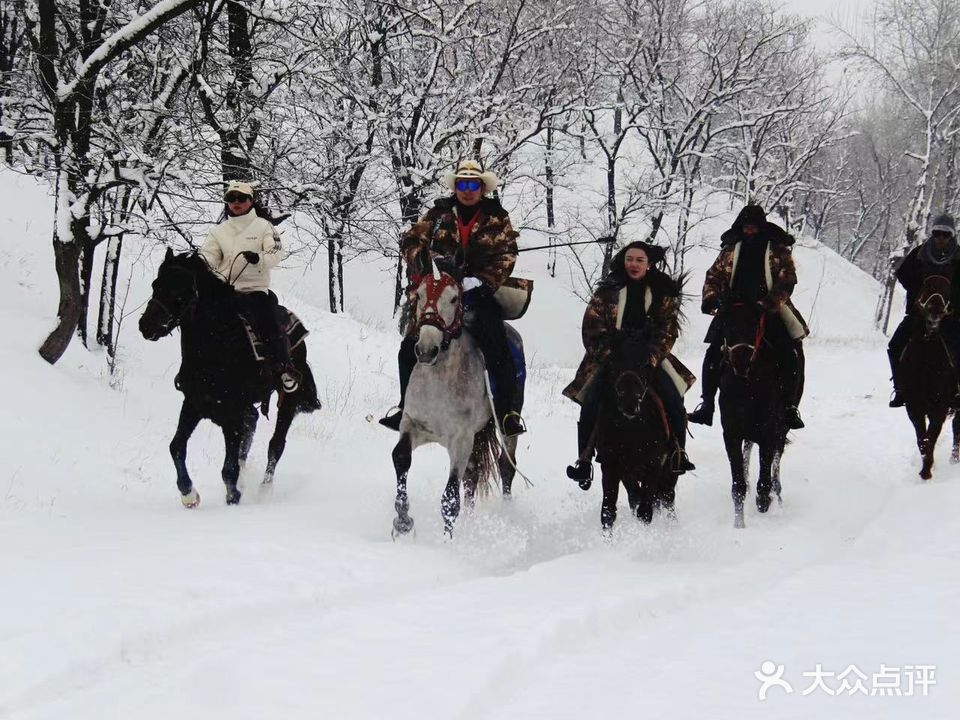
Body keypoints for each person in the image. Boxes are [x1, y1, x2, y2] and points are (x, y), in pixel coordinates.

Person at [379, 160, 526, 436]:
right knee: (409, 345)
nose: (467, 190)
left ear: (482, 188)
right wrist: (425, 265)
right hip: (439, 294)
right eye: (462, 184)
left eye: (473, 185)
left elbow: (507, 255)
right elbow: (411, 242)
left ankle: (507, 412)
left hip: (477, 295)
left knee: (497, 344)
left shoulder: (498, 216)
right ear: (455, 187)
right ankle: (404, 407)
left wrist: (481, 281)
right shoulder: (438, 213)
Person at [563, 241, 696, 479]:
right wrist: (608, 356)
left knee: (674, 399)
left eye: (639, 260)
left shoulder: (661, 293)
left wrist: (652, 357)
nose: (633, 264)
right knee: (591, 401)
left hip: (649, 360)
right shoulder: (607, 291)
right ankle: (584, 460)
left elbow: (668, 331)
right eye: (629, 259)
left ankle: (678, 452)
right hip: (612, 359)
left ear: (649, 264)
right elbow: (591, 328)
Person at [687, 204, 808, 429]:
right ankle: (708, 404)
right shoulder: (730, 249)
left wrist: (768, 303)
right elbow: (713, 276)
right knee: (714, 351)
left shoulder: (779, 249)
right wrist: (713, 298)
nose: (750, 231)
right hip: (734, 308)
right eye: (746, 227)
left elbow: (787, 280)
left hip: (769, 308)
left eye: (754, 228)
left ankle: (790, 406)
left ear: (761, 227)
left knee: (791, 349)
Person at [199, 180, 299, 393]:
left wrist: (259, 259)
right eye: (230, 198)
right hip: (225, 292)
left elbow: (276, 252)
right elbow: (207, 259)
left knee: (267, 319)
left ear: (250, 201)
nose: (236, 202)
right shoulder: (218, 232)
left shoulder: (264, 226)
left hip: (255, 290)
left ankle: (284, 368)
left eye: (241, 198)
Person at [888, 213, 960, 407]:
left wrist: (953, 301)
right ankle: (901, 389)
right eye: (937, 233)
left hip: (949, 315)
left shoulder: (958, 256)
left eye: (946, 234)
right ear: (933, 233)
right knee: (895, 346)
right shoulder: (920, 253)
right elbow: (902, 274)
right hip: (919, 313)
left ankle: (957, 390)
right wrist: (918, 292)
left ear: (951, 236)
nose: (941, 238)